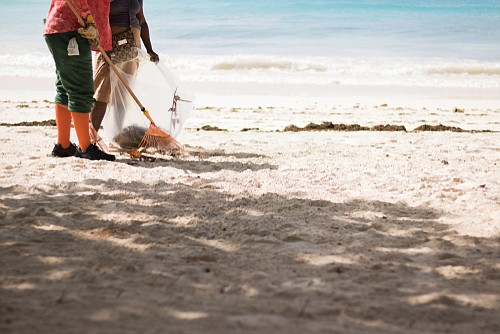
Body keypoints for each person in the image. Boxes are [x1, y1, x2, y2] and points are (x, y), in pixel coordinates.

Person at [43, 0, 115, 161]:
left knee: (64, 88)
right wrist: (88, 17)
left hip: (60, 29)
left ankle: (63, 146)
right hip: (71, 30)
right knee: (80, 88)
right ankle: (86, 148)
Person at [91, 0, 159, 133]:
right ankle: (90, 140)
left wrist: (149, 49)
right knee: (101, 95)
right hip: (108, 48)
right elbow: (94, 15)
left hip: (131, 49)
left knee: (122, 95)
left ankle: (115, 135)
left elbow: (142, 21)